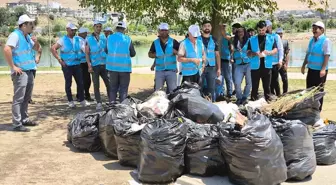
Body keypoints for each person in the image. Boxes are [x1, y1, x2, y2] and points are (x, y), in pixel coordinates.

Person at [3, 14, 40, 132]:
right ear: (23, 25)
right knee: (19, 98)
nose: (32, 26)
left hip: (29, 70)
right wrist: (13, 67)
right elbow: (7, 49)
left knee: (26, 97)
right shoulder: (15, 35)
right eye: (30, 24)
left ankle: (24, 119)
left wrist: (37, 42)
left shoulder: (27, 36)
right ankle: (17, 123)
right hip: (20, 72)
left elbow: (36, 49)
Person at [51, 23, 89, 108]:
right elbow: (53, 48)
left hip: (77, 64)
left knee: (80, 83)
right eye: (72, 30)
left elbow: (84, 49)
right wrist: (60, 60)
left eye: (75, 30)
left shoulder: (78, 39)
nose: (74, 32)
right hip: (67, 65)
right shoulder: (62, 40)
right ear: (67, 29)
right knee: (68, 83)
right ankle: (70, 101)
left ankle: (82, 100)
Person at [301, 21, 332, 111]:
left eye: (316, 29)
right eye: (313, 29)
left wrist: (323, 69)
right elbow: (308, 53)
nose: (314, 31)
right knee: (309, 91)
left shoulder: (325, 41)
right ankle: (310, 110)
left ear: (322, 30)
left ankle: (318, 111)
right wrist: (303, 65)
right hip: (311, 69)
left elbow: (327, 55)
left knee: (318, 92)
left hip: (320, 72)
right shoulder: (312, 40)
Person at [247, 20, 278, 102]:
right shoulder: (251, 39)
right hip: (255, 67)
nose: (261, 32)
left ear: (266, 28)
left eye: (263, 30)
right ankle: (253, 102)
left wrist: (269, 52)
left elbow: (275, 49)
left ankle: (268, 103)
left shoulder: (271, 38)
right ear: (257, 29)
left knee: (267, 87)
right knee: (254, 87)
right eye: (259, 30)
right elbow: (248, 52)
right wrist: (254, 53)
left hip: (267, 66)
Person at [106, 21, 136, 103]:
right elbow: (133, 53)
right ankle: (122, 109)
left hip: (112, 68)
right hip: (124, 69)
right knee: (123, 90)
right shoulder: (127, 39)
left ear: (116, 29)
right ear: (124, 29)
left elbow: (106, 50)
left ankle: (111, 107)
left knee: (112, 89)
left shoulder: (109, 38)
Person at [148, 23, 180, 93]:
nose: (164, 32)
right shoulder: (155, 43)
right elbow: (149, 54)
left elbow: (182, 53)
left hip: (171, 71)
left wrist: (176, 52)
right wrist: (155, 54)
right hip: (159, 71)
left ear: (168, 31)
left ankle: (172, 104)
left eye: (166, 30)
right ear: (159, 31)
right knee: (158, 92)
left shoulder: (173, 42)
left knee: (173, 92)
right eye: (162, 30)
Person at [86, 21, 110, 110]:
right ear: (94, 27)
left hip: (104, 64)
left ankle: (111, 101)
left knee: (109, 83)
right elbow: (87, 53)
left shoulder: (104, 38)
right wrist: (89, 65)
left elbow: (108, 50)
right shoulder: (89, 39)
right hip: (95, 65)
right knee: (96, 85)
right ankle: (99, 102)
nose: (99, 28)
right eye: (97, 26)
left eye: (100, 27)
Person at [199, 20, 221, 102]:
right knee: (199, 87)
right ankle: (200, 105)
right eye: (205, 26)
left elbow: (217, 55)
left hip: (212, 68)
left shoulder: (214, 39)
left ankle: (212, 104)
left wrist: (219, 68)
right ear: (202, 28)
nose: (207, 28)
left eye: (208, 26)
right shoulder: (198, 39)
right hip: (200, 67)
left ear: (211, 28)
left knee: (211, 88)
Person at [219, 23, 241, 98]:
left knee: (228, 77)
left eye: (224, 26)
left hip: (227, 58)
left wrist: (231, 57)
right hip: (219, 59)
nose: (223, 27)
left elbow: (231, 48)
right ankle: (221, 93)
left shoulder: (231, 36)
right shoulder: (217, 35)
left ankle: (230, 93)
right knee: (221, 77)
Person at [232, 26, 251, 105]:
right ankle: (239, 97)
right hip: (238, 64)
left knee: (249, 82)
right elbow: (231, 51)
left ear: (244, 32)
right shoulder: (234, 41)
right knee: (237, 82)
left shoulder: (249, 41)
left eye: (242, 32)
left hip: (248, 63)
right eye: (239, 32)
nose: (240, 33)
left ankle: (245, 97)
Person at [266, 20, 284, 97]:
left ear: (270, 27)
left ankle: (278, 96)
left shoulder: (276, 36)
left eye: (268, 27)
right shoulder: (263, 37)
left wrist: (280, 60)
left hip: (275, 63)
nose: (267, 29)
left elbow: (280, 49)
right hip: (266, 63)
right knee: (267, 82)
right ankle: (270, 96)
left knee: (275, 81)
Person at [76, 27, 93, 102]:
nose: (87, 34)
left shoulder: (83, 39)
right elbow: (85, 49)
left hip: (85, 62)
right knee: (83, 80)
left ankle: (85, 94)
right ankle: (81, 96)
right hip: (81, 63)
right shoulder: (78, 40)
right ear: (82, 33)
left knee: (86, 80)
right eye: (86, 33)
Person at [276, 28, 290, 94]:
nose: (280, 35)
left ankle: (285, 93)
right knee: (275, 80)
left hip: (283, 63)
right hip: (275, 64)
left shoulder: (285, 42)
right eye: (278, 33)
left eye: (281, 33)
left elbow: (287, 54)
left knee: (285, 79)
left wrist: (286, 64)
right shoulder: (273, 42)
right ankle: (277, 94)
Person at [28, 35, 42, 104]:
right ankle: (23, 98)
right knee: (24, 83)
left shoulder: (32, 38)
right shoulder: (22, 37)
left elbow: (39, 49)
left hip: (32, 66)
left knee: (31, 83)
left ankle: (29, 98)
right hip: (23, 66)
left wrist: (38, 57)